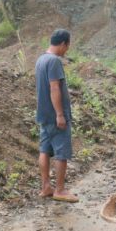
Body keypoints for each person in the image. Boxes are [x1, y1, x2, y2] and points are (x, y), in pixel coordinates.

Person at [35, 29, 78, 203]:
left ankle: (46, 187)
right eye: (67, 46)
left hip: (43, 114)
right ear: (63, 44)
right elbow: (54, 88)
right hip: (55, 116)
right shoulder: (54, 61)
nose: (66, 50)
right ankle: (60, 190)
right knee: (61, 152)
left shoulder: (41, 59)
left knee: (45, 150)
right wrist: (60, 114)